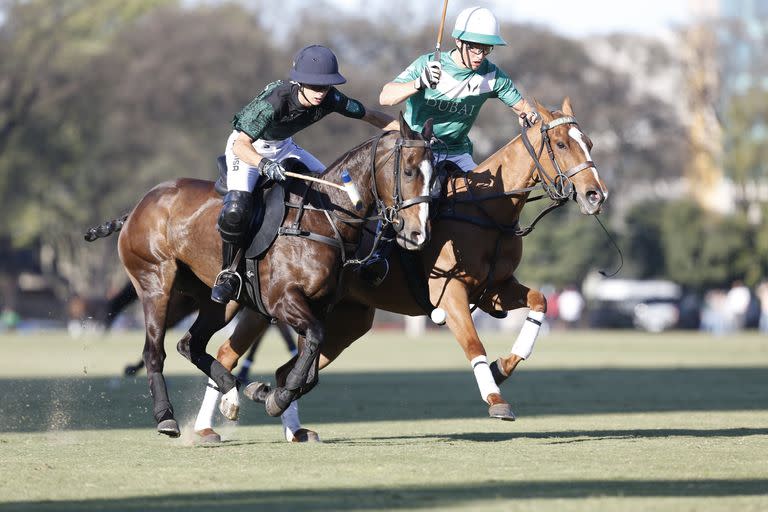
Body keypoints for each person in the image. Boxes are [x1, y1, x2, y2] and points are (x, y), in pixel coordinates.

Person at [211, 44, 400, 304]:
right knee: (236, 210)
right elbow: (240, 144)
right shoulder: (275, 101)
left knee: (338, 193)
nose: (321, 93)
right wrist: (263, 164)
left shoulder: (332, 98)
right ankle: (229, 274)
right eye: (314, 87)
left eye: (325, 86)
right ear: (298, 82)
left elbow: (369, 115)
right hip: (248, 149)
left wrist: (407, 133)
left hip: (285, 147)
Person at [379, 6, 539, 174]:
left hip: (458, 153)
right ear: (459, 41)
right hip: (418, 149)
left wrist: (529, 115)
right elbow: (385, 97)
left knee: (483, 197)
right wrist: (419, 82)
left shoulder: (493, 75)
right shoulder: (427, 64)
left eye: (486, 49)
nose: (480, 55)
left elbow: (523, 108)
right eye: (474, 48)